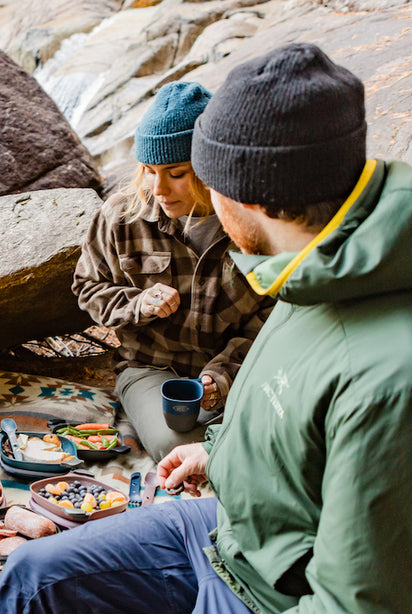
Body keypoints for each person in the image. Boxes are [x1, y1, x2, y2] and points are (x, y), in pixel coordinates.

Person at [0, 43, 412, 614]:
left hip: (285, 610)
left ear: (243, 192)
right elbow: (294, 418)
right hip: (237, 534)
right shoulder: (317, 265)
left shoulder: (410, 379)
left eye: (200, 181)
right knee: (32, 577)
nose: (182, 199)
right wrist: (219, 452)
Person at [72, 81, 273, 462]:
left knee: (281, 426)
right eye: (148, 170)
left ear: (210, 167)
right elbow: (87, 287)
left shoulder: (256, 224)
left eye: (176, 172)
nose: (159, 188)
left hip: (239, 366)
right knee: (174, 445)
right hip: (150, 367)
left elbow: (272, 315)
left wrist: (223, 376)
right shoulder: (120, 216)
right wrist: (137, 303)